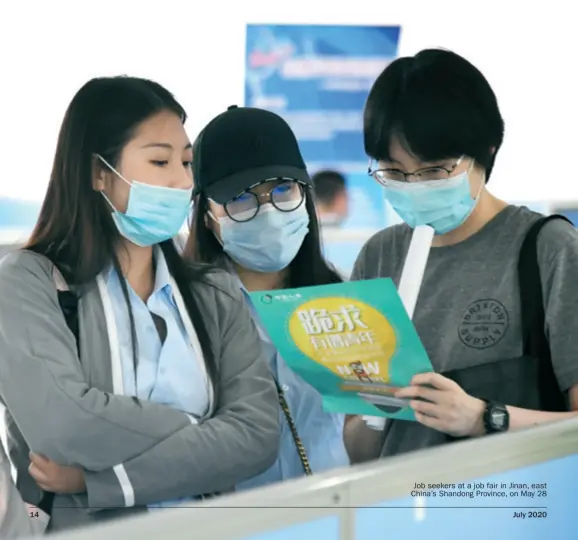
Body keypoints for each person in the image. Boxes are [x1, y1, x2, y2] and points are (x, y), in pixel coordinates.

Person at [0, 77, 280, 532]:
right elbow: (65, 429)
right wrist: (206, 433)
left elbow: (258, 437)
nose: (182, 180)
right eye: (159, 160)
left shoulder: (212, 290)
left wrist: (99, 482)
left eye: (187, 162)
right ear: (98, 171)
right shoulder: (29, 282)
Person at [344, 49, 578, 461]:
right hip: (398, 513)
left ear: (485, 153)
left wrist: (483, 417)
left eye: (434, 170)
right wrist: (371, 410)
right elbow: (360, 451)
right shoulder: (379, 257)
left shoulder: (548, 249)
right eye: (394, 172)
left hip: (511, 510)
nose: (413, 185)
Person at [185, 105, 350, 488]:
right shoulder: (184, 309)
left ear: (304, 193)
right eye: (241, 199)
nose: (269, 212)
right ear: (207, 214)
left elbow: (355, 433)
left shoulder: (342, 300)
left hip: (336, 512)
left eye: (282, 190)